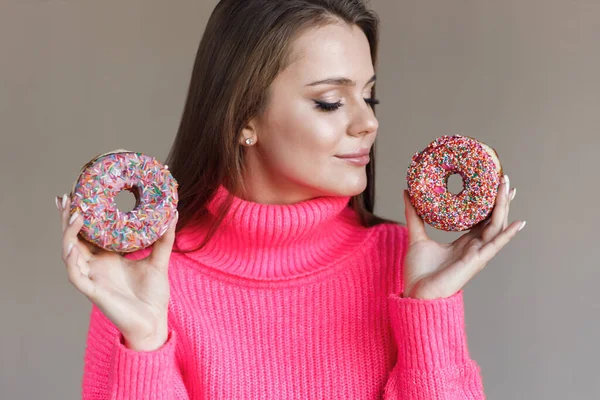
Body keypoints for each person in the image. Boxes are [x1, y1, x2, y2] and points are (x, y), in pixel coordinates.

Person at [56, 0, 525, 398]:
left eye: (369, 98)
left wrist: (429, 312)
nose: (369, 123)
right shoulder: (142, 281)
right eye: (330, 101)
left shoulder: (401, 264)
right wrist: (146, 344)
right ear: (243, 118)